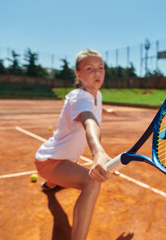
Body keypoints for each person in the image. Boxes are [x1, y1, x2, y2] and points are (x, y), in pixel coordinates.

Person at [35, 49, 117, 240]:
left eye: (100, 68)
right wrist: (97, 151)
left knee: (58, 206)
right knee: (91, 182)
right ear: (78, 74)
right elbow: (89, 120)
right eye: (90, 68)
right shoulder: (78, 97)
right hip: (50, 161)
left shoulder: (97, 95)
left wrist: (105, 111)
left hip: (63, 159)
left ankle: (51, 184)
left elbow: (94, 108)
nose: (97, 73)